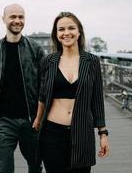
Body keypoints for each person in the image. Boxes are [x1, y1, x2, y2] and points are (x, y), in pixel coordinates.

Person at [32, 11, 109, 173]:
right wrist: (37, 121)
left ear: (79, 32)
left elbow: (97, 100)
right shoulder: (48, 61)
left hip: (82, 131)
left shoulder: (92, 61)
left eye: (71, 28)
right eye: (61, 29)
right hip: (52, 132)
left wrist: (103, 133)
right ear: (56, 34)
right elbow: (42, 95)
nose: (66, 33)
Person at [0, 4, 45, 173]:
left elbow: (43, 85)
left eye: (21, 17)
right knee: (2, 169)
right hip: (2, 120)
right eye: (13, 17)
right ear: (4, 19)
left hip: (31, 120)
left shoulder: (35, 49)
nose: (17, 21)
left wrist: (41, 116)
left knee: (36, 164)